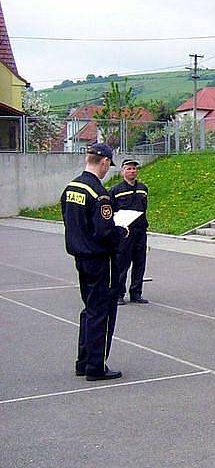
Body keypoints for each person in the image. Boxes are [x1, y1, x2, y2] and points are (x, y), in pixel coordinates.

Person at [61, 142, 128, 381]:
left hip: (81, 256)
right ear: (105, 162)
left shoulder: (72, 188)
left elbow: (69, 221)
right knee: (102, 311)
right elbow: (104, 231)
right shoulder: (99, 193)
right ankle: (96, 366)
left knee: (89, 309)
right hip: (101, 260)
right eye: (109, 165)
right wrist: (121, 232)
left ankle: (84, 360)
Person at [110, 158, 149, 306]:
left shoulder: (143, 188)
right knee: (121, 263)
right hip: (124, 233)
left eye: (134, 169)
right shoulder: (116, 190)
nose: (132, 171)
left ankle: (136, 293)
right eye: (129, 169)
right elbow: (112, 212)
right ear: (122, 171)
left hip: (140, 231)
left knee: (140, 263)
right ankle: (119, 293)